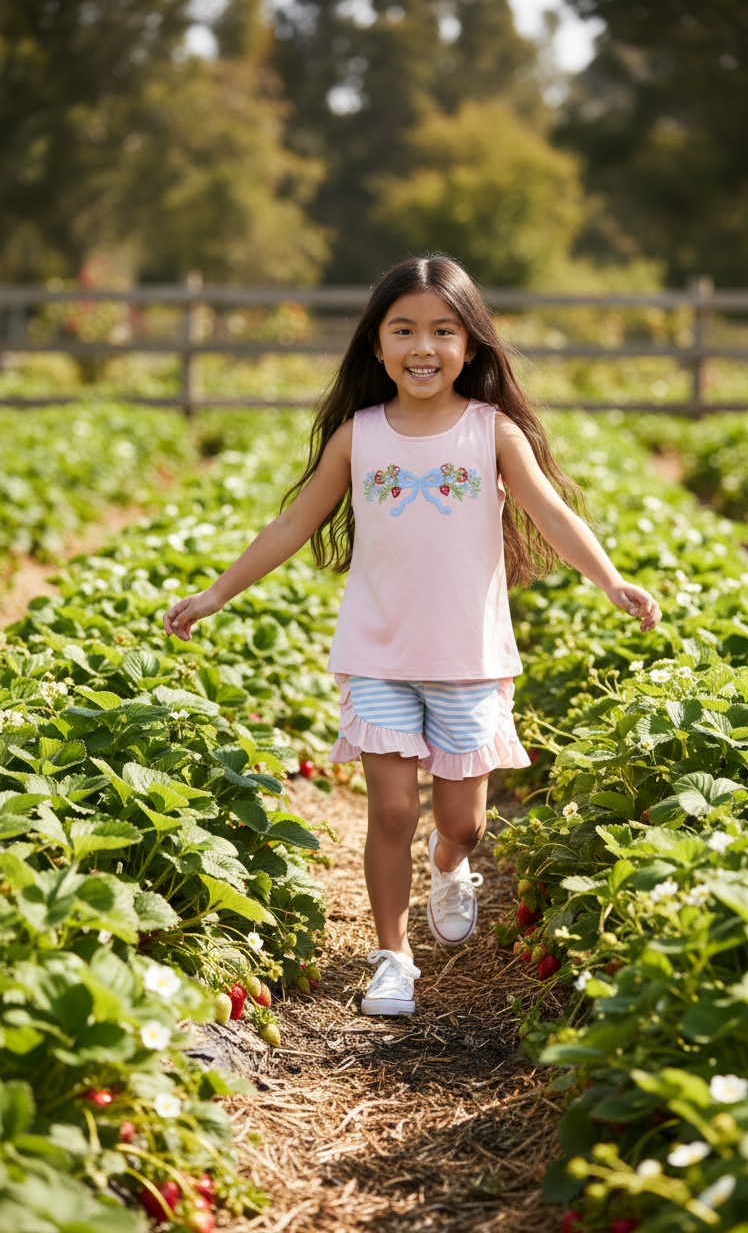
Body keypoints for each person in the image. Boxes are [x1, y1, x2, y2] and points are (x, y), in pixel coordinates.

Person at [163, 255, 661, 1017]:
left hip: (468, 657)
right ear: (377, 345)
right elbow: (297, 522)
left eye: (442, 330)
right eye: (404, 330)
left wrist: (611, 578)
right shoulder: (358, 437)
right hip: (379, 652)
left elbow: (553, 514)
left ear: (471, 345)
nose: (422, 346)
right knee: (391, 811)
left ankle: (450, 863)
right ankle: (393, 957)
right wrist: (218, 592)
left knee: (463, 822)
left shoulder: (492, 433)